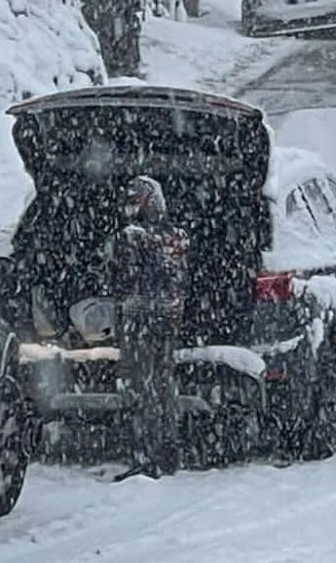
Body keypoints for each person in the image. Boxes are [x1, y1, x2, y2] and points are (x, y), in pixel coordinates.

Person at [111, 175, 190, 480]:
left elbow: (123, 278)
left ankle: (147, 455)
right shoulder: (178, 236)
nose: (131, 204)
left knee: (141, 387)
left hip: (141, 320)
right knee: (161, 384)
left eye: (136, 198)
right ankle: (166, 450)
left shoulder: (132, 237)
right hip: (169, 318)